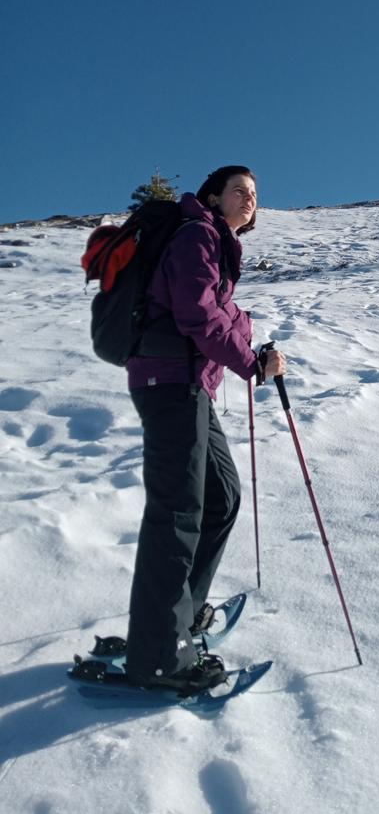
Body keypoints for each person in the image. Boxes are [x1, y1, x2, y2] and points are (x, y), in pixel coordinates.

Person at [124, 165, 285, 693]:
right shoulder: (196, 235)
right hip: (170, 383)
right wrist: (250, 363)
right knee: (178, 514)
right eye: (240, 190)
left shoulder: (214, 245)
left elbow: (219, 313)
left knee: (221, 497)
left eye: (256, 194)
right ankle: (158, 658)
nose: (250, 199)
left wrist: (251, 346)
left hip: (190, 388)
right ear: (213, 196)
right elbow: (197, 316)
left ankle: (180, 618)